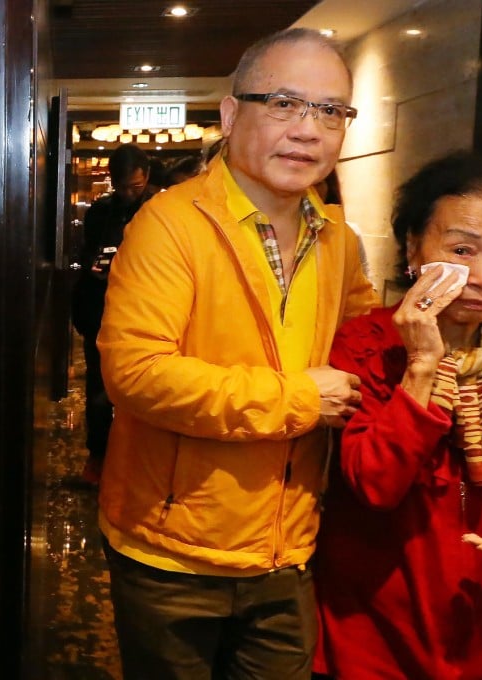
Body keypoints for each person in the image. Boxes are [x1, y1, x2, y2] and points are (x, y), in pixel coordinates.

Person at [95, 28, 376, 679]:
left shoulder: (337, 239)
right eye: (284, 103)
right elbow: (137, 375)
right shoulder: (169, 224)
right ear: (230, 115)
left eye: (330, 111)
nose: (308, 129)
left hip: (290, 545)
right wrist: (301, 398)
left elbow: (365, 351)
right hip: (173, 554)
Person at [316, 151, 482, 680]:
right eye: (461, 249)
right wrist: (423, 366)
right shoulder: (364, 345)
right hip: (375, 625)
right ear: (412, 247)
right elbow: (375, 484)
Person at [70, 143, 157, 484]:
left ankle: (138, 460)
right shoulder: (100, 211)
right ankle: (99, 455)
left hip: (144, 311)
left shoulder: (159, 211)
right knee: (98, 386)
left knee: (143, 388)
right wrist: (95, 269)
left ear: (146, 177)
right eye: (121, 188)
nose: (127, 195)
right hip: (101, 308)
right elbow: (88, 251)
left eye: (134, 188)